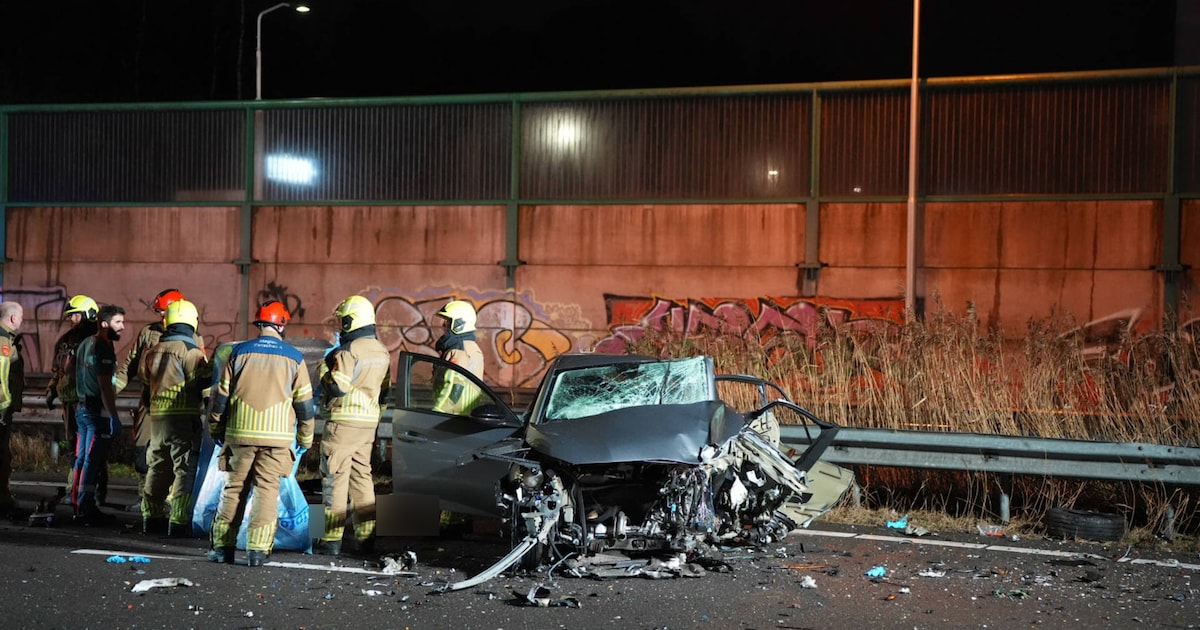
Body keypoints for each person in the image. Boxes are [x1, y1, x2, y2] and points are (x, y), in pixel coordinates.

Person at [206, 301, 314, 567]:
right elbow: (305, 406)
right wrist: (305, 439)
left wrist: (216, 428)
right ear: (281, 325)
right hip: (277, 439)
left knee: (234, 490)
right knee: (267, 491)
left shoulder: (238, 353)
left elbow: (220, 399)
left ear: (260, 324)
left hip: (239, 435)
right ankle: (257, 550)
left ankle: (222, 547)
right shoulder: (295, 358)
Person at [314, 296, 391, 556]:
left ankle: (329, 540)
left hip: (343, 422)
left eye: (342, 321)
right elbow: (384, 393)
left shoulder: (349, 351)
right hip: (367, 424)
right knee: (362, 481)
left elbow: (338, 385)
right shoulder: (382, 351)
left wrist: (321, 371)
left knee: (334, 479)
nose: (340, 326)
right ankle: (366, 539)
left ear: (351, 320)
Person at [139, 299, 210, 536]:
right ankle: (178, 521)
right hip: (183, 418)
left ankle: (151, 517)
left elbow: (145, 383)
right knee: (184, 468)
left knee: (157, 467)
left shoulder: (152, 352)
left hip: (157, 418)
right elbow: (202, 384)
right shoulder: (191, 352)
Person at [115, 288, 187, 484]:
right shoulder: (148, 333)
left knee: (173, 454)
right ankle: (144, 497)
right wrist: (109, 389)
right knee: (142, 452)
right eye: (159, 311)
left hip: (176, 407)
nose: (161, 315)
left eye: (164, 310)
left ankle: (168, 500)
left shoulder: (190, 337)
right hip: (149, 402)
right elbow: (129, 366)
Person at [70, 303, 125, 525]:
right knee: (92, 461)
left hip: (81, 407)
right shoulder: (103, 346)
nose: (122, 327)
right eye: (118, 322)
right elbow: (104, 385)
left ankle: (78, 503)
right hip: (95, 411)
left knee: (81, 459)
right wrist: (113, 416)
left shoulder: (85, 343)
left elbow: (69, 369)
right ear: (104, 323)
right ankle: (86, 508)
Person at [46, 295, 99, 457]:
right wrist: (52, 390)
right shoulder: (66, 340)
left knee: (89, 444)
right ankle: (75, 479)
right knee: (72, 442)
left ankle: (91, 480)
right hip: (69, 399)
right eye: (70, 315)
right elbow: (58, 369)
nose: (72, 319)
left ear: (88, 315)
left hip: (87, 400)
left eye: (75, 315)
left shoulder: (96, 341)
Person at [431, 300, 484, 414]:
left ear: (459, 324)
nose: (444, 326)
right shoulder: (470, 346)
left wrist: (437, 412)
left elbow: (454, 389)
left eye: (448, 322)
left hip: (452, 417)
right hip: (465, 415)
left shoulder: (458, 350)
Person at [0, 302, 26, 517]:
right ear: (12, 319)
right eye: (21, 317)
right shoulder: (3, 342)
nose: (21, 321)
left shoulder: (7, 339)